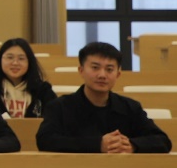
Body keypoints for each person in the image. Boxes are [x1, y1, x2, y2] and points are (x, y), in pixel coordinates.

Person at [37, 42, 172, 153]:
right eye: (95, 68)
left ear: (118, 74)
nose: (102, 75)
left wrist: (132, 145)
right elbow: (45, 140)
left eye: (109, 69)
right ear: (81, 71)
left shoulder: (130, 107)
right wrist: (97, 144)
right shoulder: (60, 106)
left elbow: (163, 141)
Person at [0, 38, 59, 119]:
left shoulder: (43, 91)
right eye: (10, 57)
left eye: (21, 58)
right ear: (0, 60)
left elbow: (55, 119)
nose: (15, 63)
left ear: (29, 62)